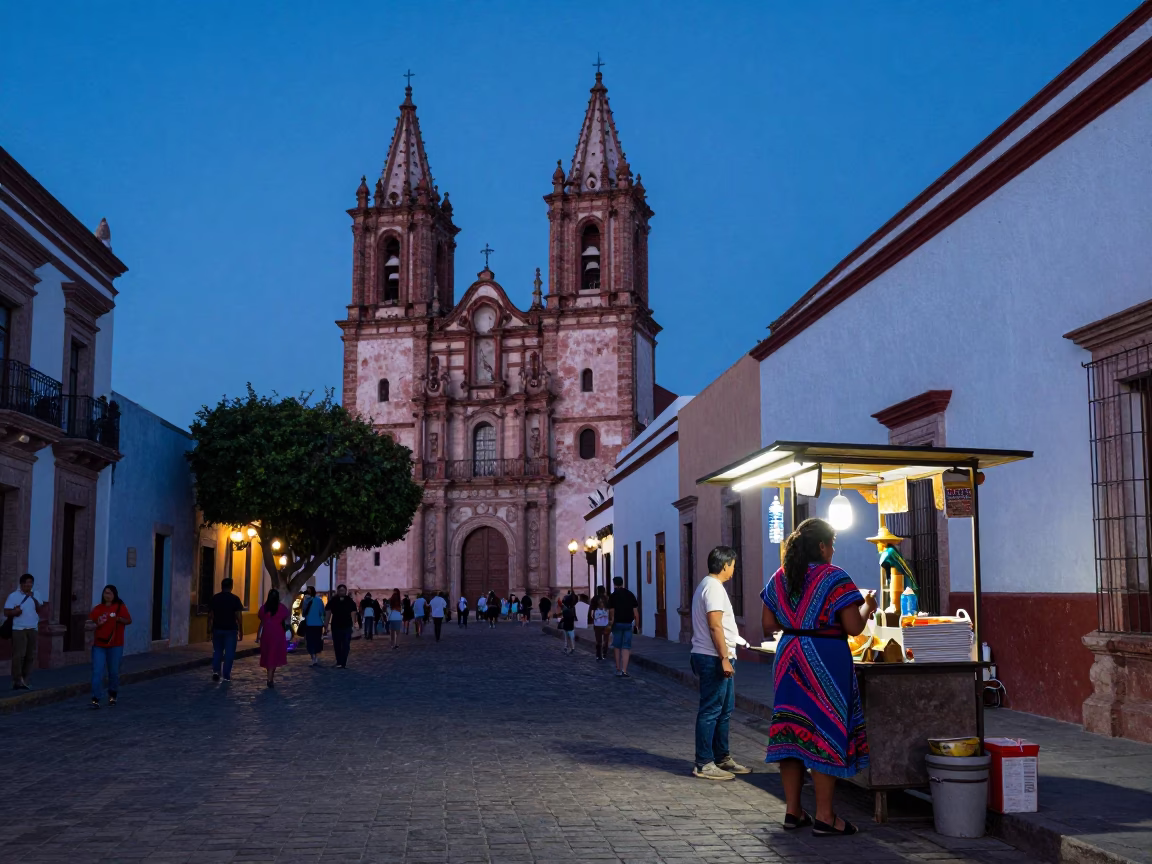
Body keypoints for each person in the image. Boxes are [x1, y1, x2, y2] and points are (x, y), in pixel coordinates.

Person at [761, 518, 877, 836]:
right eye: (833, 544)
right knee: (825, 728)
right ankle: (825, 816)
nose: (834, 550)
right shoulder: (835, 577)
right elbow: (854, 627)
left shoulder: (780, 577)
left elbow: (767, 623)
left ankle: (793, 811)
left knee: (791, 730)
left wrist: (795, 623)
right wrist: (868, 606)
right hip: (826, 656)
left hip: (789, 656)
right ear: (823, 546)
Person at [689, 546, 751, 781]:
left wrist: (738, 643)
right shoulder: (713, 588)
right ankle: (704, 763)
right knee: (711, 710)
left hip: (718, 656)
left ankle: (721, 757)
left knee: (724, 710)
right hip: (712, 657)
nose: (734, 569)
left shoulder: (710, 586)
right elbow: (715, 625)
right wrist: (724, 658)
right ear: (725, 565)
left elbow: (722, 626)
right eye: (733, 565)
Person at [89, 584, 131, 708]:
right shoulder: (97, 609)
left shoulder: (120, 607)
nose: (106, 595)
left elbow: (128, 620)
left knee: (113, 672)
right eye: (105, 593)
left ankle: (113, 694)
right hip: (99, 645)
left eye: (109, 593)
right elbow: (89, 623)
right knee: (97, 672)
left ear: (114, 595)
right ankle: (95, 698)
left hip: (115, 645)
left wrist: (118, 619)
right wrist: (97, 623)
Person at [4, 573, 46, 691]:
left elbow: (39, 608)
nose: (28, 585)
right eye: (26, 583)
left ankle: (25, 679)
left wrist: (32, 597)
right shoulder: (13, 596)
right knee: (19, 655)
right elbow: (6, 612)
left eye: (30, 583)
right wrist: (15, 612)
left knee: (30, 655)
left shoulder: (36, 594)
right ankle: (17, 680)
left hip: (32, 628)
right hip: (19, 629)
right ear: (21, 584)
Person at [207, 577, 244, 683]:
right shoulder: (235, 599)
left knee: (217, 651)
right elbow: (239, 617)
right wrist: (241, 630)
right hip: (231, 630)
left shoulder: (215, 598)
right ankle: (226, 675)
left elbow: (210, 616)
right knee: (229, 653)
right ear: (231, 587)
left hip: (217, 629)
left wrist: (208, 630)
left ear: (222, 586)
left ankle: (216, 671)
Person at [258, 588, 290, 687]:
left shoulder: (264, 608)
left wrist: (258, 635)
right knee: (274, 654)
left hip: (267, 633)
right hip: (277, 633)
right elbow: (286, 617)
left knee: (268, 654)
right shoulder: (282, 608)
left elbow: (261, 620)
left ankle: (270, 677)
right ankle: (270, 678)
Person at [608, 576, 639, 677]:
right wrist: (637, 625)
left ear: (614, 584)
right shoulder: (630, 594)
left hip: (617, 623)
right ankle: (624, 670)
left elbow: (612, 612)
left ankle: (618, 669)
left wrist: (610, 623)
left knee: (617, 646)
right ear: (622, 583)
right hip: (628, 624)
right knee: (626, 647)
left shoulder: (613, 596)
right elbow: (636, 612)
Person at [325, 584, 360, 669]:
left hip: (347, 626)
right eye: (340, 590)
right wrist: (326, 625)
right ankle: (339, 662)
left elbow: (353, 613)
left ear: (345, 591)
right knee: (337, 645)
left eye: (343, 590)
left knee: (346, 645)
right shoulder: (333, 600)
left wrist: (354, 624)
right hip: (336, 625)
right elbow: (328, 612)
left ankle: (343, 662)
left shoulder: (350, 601)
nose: (341, 592)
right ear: (338, 591)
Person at [300, 586, 326, 666]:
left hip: (309, 623)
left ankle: (313, 657)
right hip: (318, 624)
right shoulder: (318, 600)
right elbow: (322, 612)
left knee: (310, 641)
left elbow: (303, 613)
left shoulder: (305, 601)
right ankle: (316, 657)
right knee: (317, 640)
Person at [591, 593, 610, 661]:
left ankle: (604, 654)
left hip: (605, 626)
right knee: (598, 641)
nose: (601, 603)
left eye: (602, 602)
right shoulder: (595, 610)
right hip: (598, 626)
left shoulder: (607, 610)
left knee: (606, 641)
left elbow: (609, 617)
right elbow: (594, 617)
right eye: (600, 602)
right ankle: (598, 654)